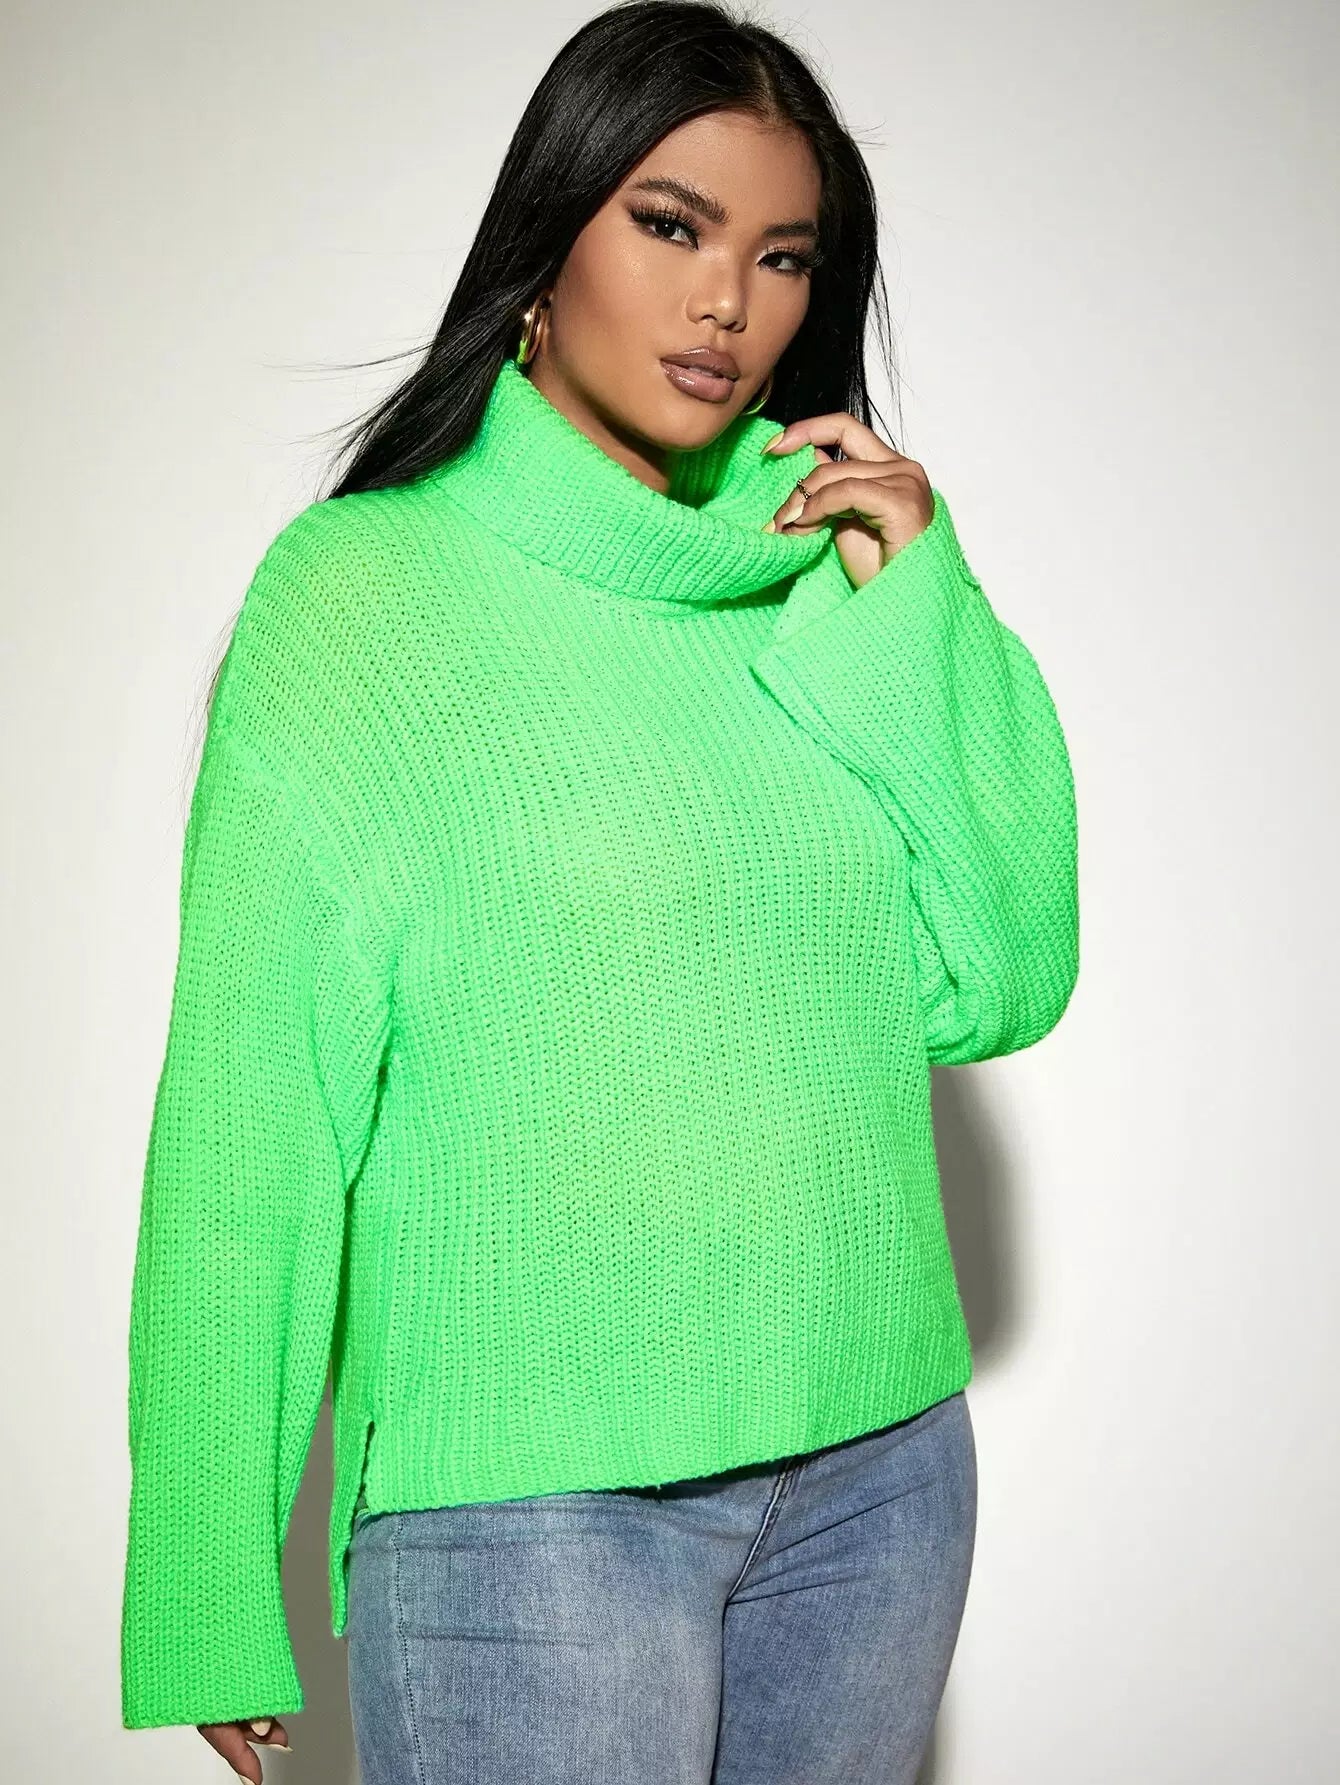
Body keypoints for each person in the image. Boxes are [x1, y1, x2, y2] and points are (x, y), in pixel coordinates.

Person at [118, 3, 1080, 1780]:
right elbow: (253, 1111)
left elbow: (999, 973)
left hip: (877, 1479)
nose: (728, 303)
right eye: (672, 224)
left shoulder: (830, 577)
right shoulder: (361, 599)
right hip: (529, 1509)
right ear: (546, 240)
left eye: (782, 256)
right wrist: (206, 1557)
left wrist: (922, 599)